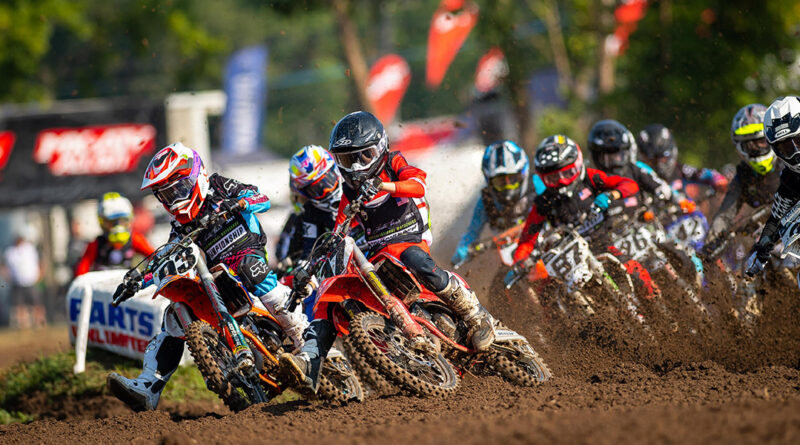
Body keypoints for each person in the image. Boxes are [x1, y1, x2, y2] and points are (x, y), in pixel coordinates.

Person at [279, 111, 496, 393]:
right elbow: (338, 230)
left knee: (413, 259)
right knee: (331, 295)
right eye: (347, 159)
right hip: (375, 248)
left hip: (408, 232)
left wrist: (384, 185)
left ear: (379, 148)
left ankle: (472, 312)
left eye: (363, 156)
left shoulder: (394, 163)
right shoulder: (348, 191)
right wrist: (308, 271)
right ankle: (311, 361)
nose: (356, 166)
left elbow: (417, 185)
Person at [107, 142, 309, 411]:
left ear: (194, 177)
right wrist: (135, 280)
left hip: (244, 252)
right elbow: (166, 257)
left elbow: (262, 198)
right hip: (213, 276)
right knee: (176, 314)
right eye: (165, 195)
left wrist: (237, 203)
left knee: (252, 270)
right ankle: (149, 386)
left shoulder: (218, 185)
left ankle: (306, 343)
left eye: (177, 189)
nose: (174, 199)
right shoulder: (179, 226)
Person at [507, 135, 640, 277]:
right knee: (547, 292)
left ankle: (656, 297)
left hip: (605, 241)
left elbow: (630, 184)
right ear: (544, 178)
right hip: (571, 260)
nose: (562, 181)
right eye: (553, 178)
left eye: (566, 173)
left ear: (577, 164)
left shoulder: (590, 177)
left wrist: (611, 195)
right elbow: (527, 240)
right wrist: (519, 263)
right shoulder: (544, 201)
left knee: (636, 271)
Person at [702, 104, 782, 257]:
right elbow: (725, 215)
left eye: (761, 141)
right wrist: (711, 241)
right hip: (766, 235)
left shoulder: (789, 158)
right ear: (741, 147)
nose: (757, 148)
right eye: (750, 144)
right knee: (752, 261)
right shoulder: (743, 176)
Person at [450, 140, 546, 266]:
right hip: (515, 260)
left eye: (512, 179)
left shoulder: (538, 185)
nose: (508, 187)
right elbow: (472, 232)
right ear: (489, 182)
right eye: (500, 182)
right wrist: (462, 250)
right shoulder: (487, 201)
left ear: (523, 174)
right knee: (500, 285)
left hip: (546, 246)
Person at [746, 96, 800, 275]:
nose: (795, 153)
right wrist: (760, 255)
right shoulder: (790, 179)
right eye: (786, 148)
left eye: (798, 141)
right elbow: (775, 221)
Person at [588, 119, 674, 209]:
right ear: (595, 156)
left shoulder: (636, 169)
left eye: (617, 155)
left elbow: (662, 187)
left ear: (626, 152)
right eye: (604, 157)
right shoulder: (591, 178)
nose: (612, 162)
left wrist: (664, 196)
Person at [74, 192, 154, 276]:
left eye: (123, 221)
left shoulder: (135, 239)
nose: (118, 227)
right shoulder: (95, 245)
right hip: (102, 286)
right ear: (102, 222)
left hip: (128, 286)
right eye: (111, 222)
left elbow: (155, 257)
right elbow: (80, 275)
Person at [636, 124, 728, 196]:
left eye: (661, 159)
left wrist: (718, 180)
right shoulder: (638, 178)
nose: (658, 164)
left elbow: (704, 173)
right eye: (652, 160)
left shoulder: (679, 169)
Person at [3, 235, 44, 329]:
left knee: (36, 304)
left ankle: (40, 322)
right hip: (17, 283)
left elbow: (40, 262)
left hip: (31, 281)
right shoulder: (10, 252)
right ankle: (23, 325)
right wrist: (8, 277)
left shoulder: (30, 249)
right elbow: (5, 267)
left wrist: (40, 274)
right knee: (19, 306)